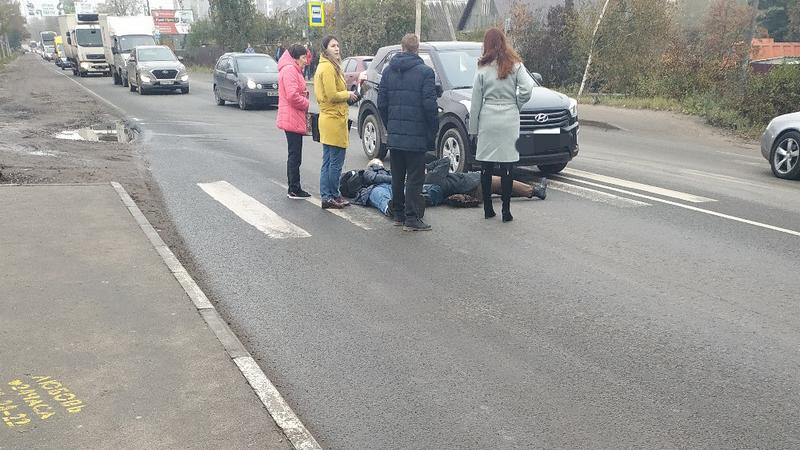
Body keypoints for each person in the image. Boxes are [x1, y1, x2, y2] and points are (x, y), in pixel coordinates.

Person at [469, 27, 535, 222]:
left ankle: (488, 208)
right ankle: (506, 211)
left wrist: (474, 129)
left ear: (486, 44)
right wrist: (516, 104)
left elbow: (475, 102)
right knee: (507, 167)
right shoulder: (515, 65)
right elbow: (527, 88)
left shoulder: (482, 67)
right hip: (509, 119)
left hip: (488, 118)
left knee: (486, 166)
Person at [378, 33, 438, 231]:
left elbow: (382, 104)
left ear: (402, 48)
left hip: (395, 134)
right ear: (417, 49)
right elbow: (430, 105)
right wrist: (433, 128)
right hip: (417, 134)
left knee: (397, 175)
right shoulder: (425, 73)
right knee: (414, 177)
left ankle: (398, 215)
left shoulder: (387, 72)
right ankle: (412, 219)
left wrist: (390, 125)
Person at [314, 35, 359, 209]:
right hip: (333, 118)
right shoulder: (327, 68)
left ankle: (328, 196)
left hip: (331, 118)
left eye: (338, 45)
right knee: (335, 162)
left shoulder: (329, 66)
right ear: (325, 49)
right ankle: (332, 195)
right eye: (333, 46)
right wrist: (347, 94)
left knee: (328, 160)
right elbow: (332, 95)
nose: (337, 48)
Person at [276, 44, 311, 199]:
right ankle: (294, 188)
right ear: (296, 58)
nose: (305, 61)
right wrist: (306, 102)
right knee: (295, 155)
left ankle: (294, 187)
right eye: (303, 57)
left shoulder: (292, 68)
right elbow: (292, 96)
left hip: (293, 116)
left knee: (295, 154)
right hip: (292, 116)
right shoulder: (290, 70)